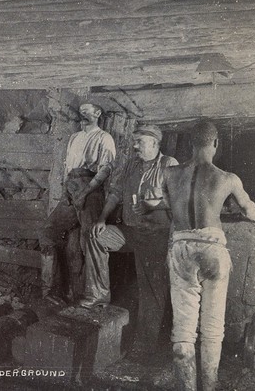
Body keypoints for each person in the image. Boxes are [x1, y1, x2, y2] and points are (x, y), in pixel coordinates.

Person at [162, 121, 255, 391]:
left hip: (181, 249)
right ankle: (209, 386)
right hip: (212, 250)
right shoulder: (227, 178)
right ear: (215, 144)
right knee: (212, 328)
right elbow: (250, 210)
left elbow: (170, 210)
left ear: (191, 144)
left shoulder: (168, 174)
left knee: (184, 331)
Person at [85, 124, 177, 355]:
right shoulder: (131, 165)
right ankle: (98, 298)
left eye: (140, 141)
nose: (135, 146)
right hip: (131, 232)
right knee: (97, 237)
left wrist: (153, 204)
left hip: (156, 235)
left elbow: (179, 200)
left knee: (151, 288)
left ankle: (145, 346)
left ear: (155, 144)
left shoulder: (169, 165)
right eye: (134, 141)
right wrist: (102, 219)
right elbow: (115, 193)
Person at [38, 103, 116, 301]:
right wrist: (66, 191)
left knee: (92, 240)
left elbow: (105, 169)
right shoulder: (74, 138)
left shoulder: (104, 138)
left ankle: (98, 297)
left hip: (91, 191)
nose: (82, 114)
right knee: (48, 232)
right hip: (71, 189)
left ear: (98, 113)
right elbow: (67, 169)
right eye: (80, 111)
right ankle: (51, 291)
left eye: (87, 111)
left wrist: (85, 192)